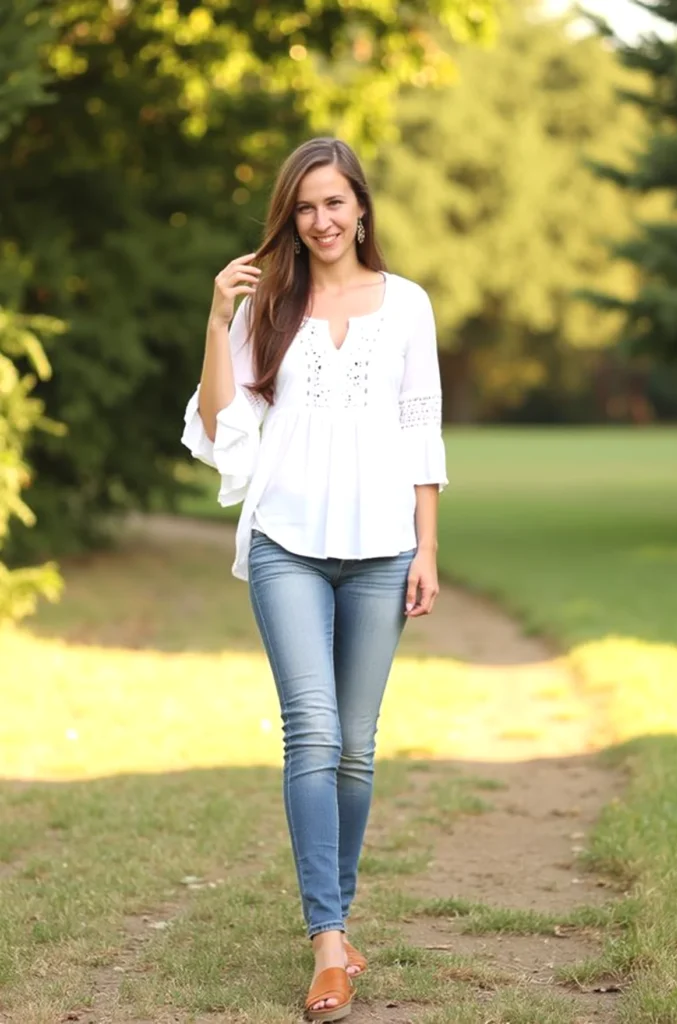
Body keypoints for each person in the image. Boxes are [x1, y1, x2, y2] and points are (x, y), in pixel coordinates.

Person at [182, 137, 448, 1022]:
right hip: (284, 540)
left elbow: (422, 434)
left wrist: (427, 549)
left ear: (361, 208)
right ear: (289, 219)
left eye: (334, 203)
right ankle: (327, 942)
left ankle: (337, 920)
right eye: (304, 207)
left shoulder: (407, 305)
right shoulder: (271, 303)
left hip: (380, 550)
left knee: (358, 745)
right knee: (313, 731)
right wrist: (218, 319)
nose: (321, 221)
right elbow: (223, 423)